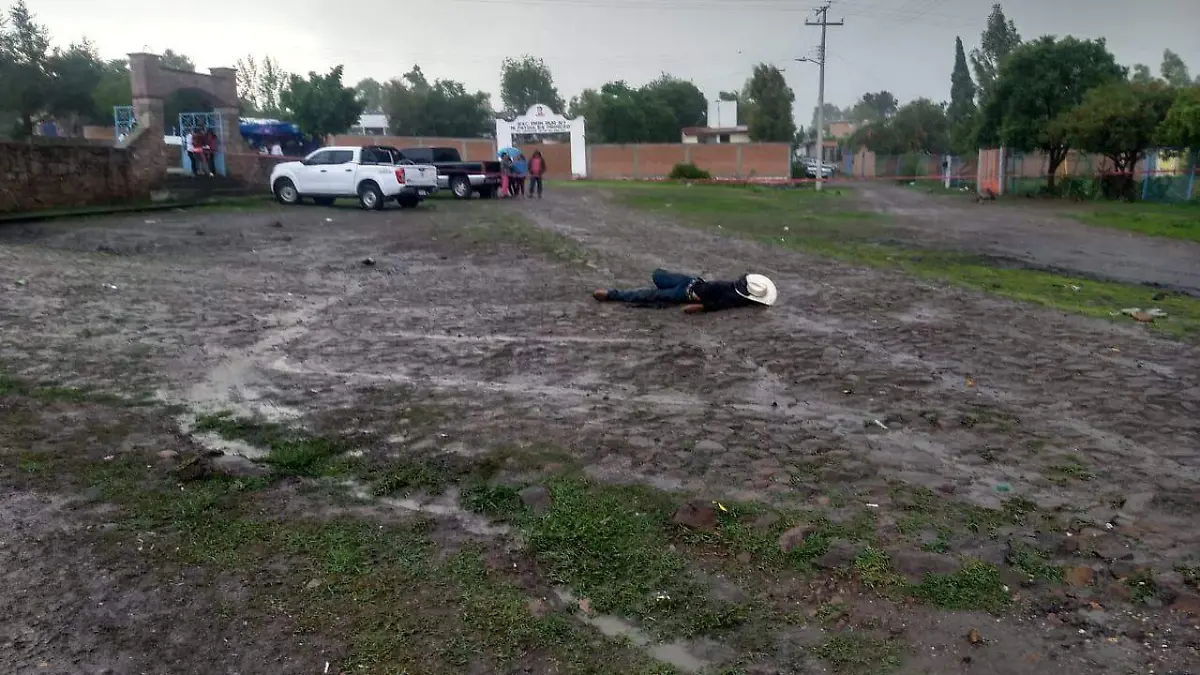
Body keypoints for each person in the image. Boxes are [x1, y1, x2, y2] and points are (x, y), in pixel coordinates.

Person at [593, 269, 777, 313]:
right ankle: (662, 299)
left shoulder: (732, 299)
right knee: (657, 275)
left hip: (686, 293)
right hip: (690, 282)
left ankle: (612, 295)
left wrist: (697, 307)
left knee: (647, 295)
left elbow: (713, 306)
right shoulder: (735, 286)